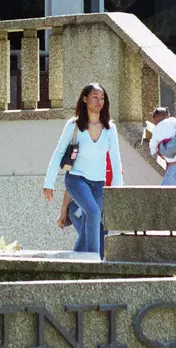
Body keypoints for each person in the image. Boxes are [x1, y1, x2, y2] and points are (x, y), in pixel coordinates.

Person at [43, 83, 124, 258]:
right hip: (76, 179)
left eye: (102, 98)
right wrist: (48, 183)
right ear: (85, 99)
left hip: (98, 183)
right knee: (93, 213)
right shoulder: (73, 125)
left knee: (91, 220)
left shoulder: (110, 128)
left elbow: (115, 159)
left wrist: (118, 187)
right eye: (95, 97)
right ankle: (94, 260)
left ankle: (76, 259)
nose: (99, 101)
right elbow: (58, 154)